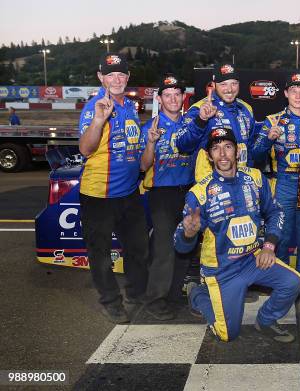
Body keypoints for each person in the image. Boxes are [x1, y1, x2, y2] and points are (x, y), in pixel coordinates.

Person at [175, 128, 300, 343]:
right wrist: (188, 233)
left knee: (293, 282)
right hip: (222, 270)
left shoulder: (254, 178)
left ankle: (265, 320)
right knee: (227, 335)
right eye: (216, 149)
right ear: (208, 155)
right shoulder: (199, 193)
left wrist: (269, 246)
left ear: (237, 151)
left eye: (228, 147)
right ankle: (197, 293)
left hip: (253, 259)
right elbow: (180, 246)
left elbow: (275, 212)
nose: (222, 154)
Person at [77, 53, 149, 324]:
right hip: (99, 195)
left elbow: (138, 150)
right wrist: (98, 120)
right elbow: (85, 149)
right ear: (101, 78)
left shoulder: (130, 106)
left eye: (121, 74)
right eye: (110, 75)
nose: (116, 79)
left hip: (129, 193)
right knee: (100, 253)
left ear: (127, 77)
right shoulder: (95, 106)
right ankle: (111, 302)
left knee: (138, 248)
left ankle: (135, 293)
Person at [252, 73, 300, 306]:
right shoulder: (272, 121)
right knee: (280, 240)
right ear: (285, 94)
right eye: (293, 90)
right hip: (283, 184)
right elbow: (255, 156)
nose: (297, 95)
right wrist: (268, 140)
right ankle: (283, 286)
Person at [139, 74, 197, 320]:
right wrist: (151, 143)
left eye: (177, 95)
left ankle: (173, 295)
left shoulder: (192, 124)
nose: (173, 99)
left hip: (190, 192)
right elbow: (143, 166)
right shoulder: (150, 127)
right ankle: (155, 299)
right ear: (160, 99)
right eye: (167, 95)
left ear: (183, 98)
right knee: (164, 248)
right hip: (162, 194)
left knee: (186, 245)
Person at [177, 63, 255, 183]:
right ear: (213, 85)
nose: (229, 89)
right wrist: (201, 119)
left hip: (240, 184)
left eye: (234, 83)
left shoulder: (246, 109)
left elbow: (249, 149)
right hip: (209, 186)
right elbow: (182, 144)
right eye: (223, 84)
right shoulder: (200, 109)